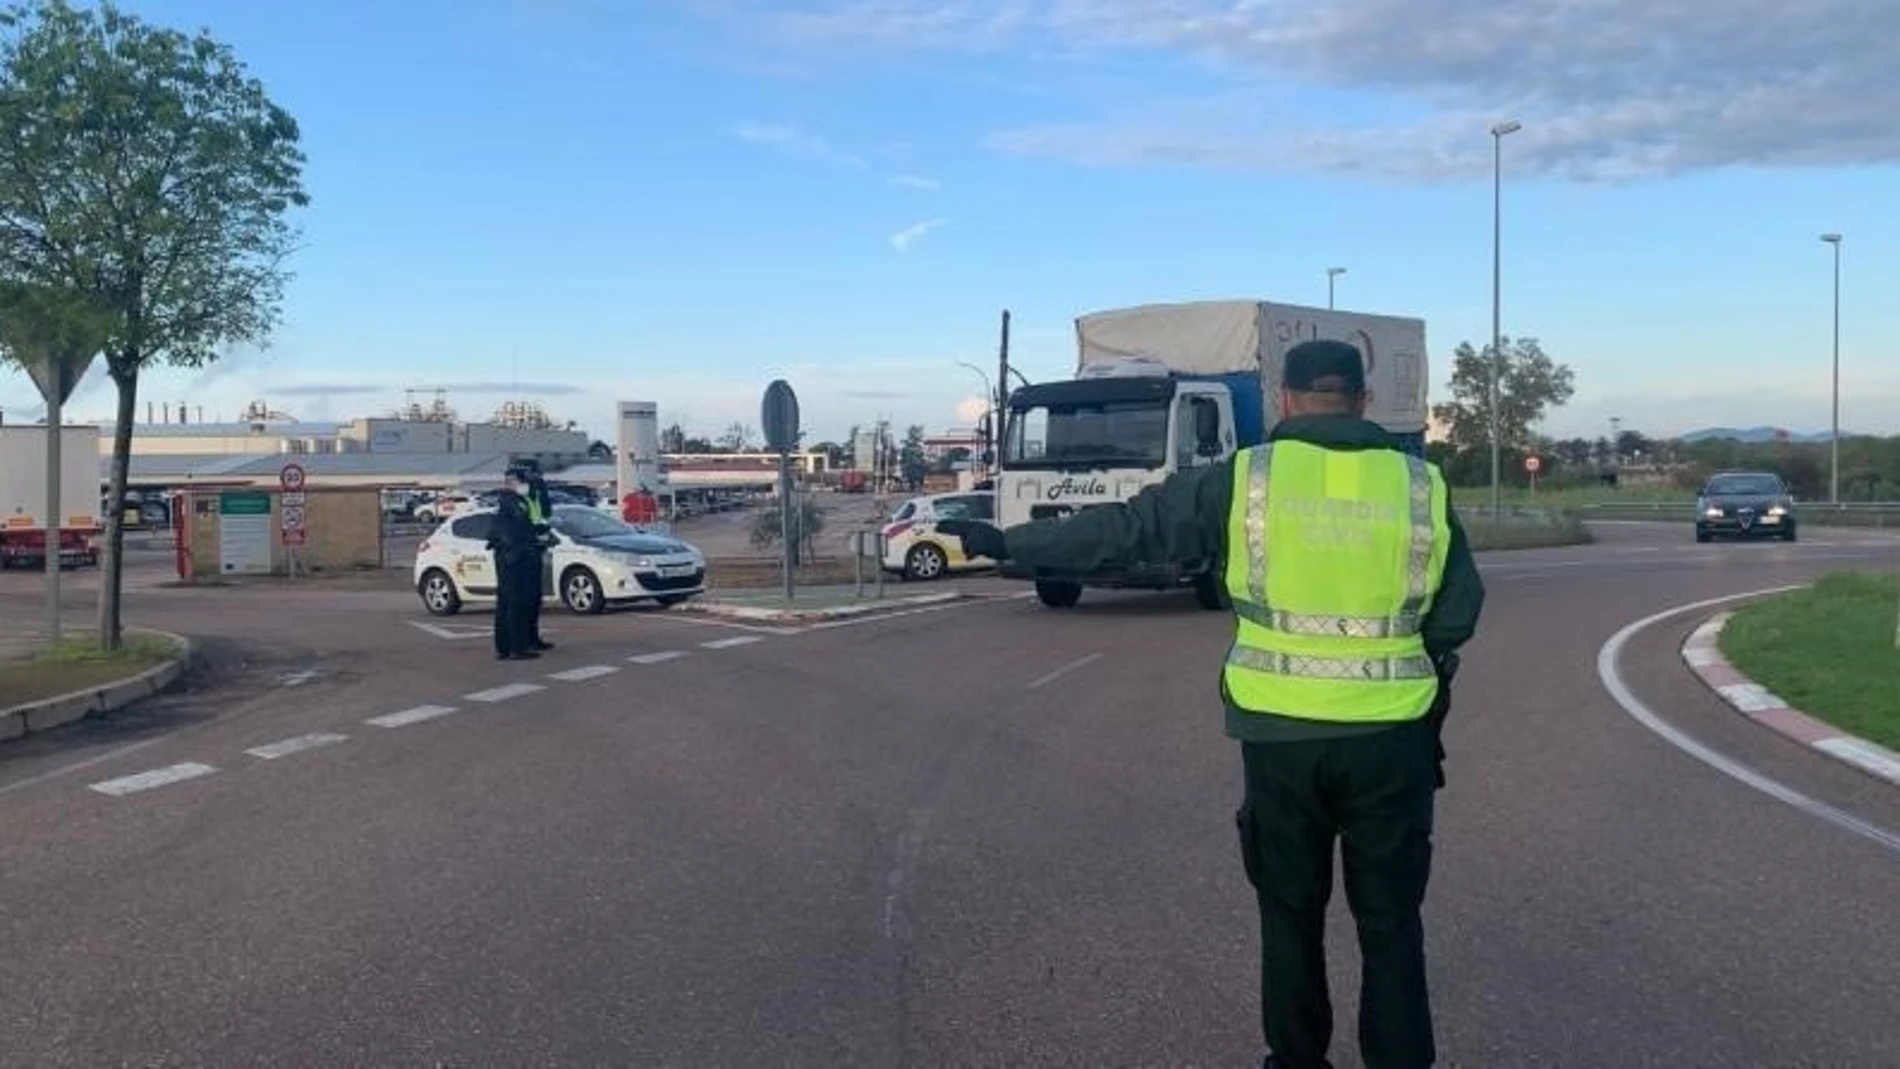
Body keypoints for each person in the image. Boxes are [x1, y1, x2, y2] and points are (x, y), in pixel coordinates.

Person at [938, 340, 1485, 1069]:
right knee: (1390, 925)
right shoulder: (1420, 484)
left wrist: (1013, 538)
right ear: (1362, 399)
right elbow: (1458, 610)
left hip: (1278, 739)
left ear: (1285, 400)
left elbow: (1130, 529)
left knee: (1290, 917)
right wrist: (1416, 670)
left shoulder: (1245, 478)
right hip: (1392, 740)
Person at [486, 467, 542, 661]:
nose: (527, 484)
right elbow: (519, 527)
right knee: (514, 602)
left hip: (511, 555)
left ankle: (506, 647)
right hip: (512, 557)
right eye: (524, 481)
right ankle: (516, 648)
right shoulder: (510, 502)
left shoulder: (515, 501)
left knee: (508, 602)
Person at [521, 467, 556, 652]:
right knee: (525, 600)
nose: (538, 483)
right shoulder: (521, 499)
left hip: (536, 551)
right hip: (524, 553)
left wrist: (543, 492)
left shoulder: (535, 498)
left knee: (535, 599)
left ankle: (533, 638)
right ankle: (525, 640)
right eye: (535, 480)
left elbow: (546, 513)